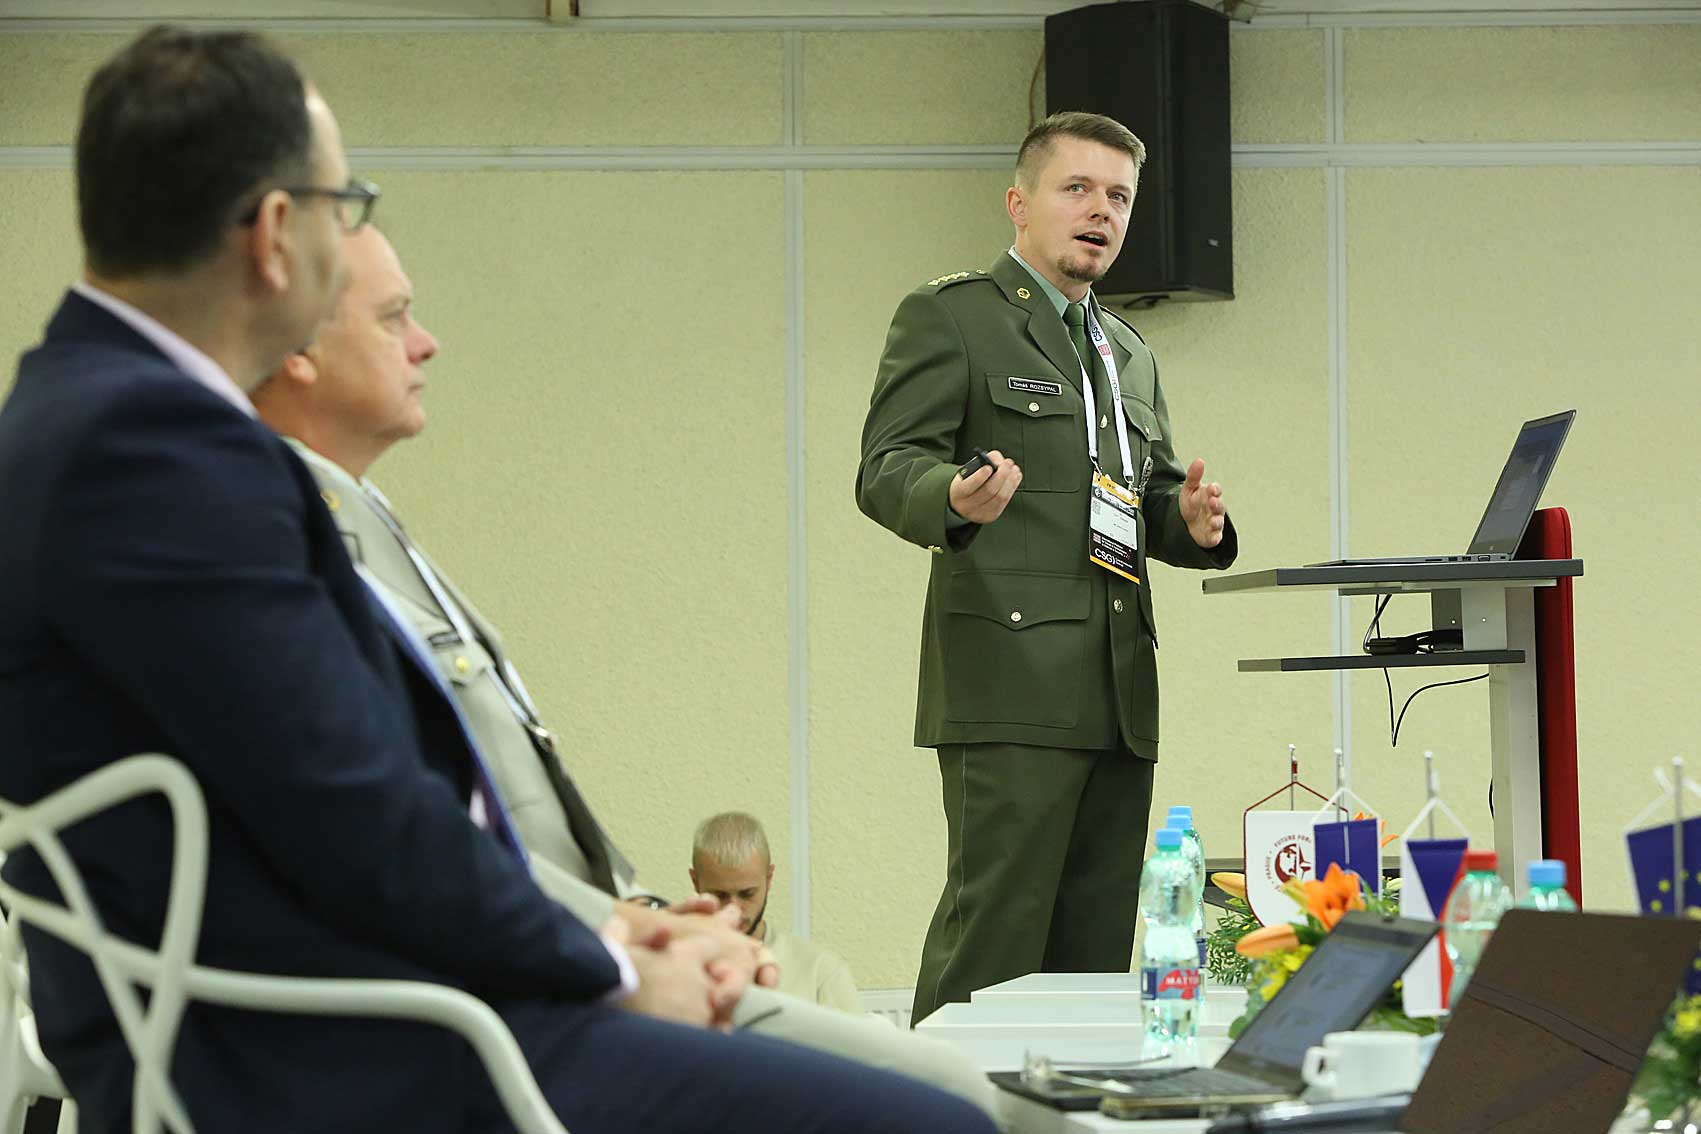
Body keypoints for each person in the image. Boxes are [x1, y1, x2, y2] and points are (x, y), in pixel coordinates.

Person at [0, 27, 995, 1134]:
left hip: (341, 1007)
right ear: (279, 232)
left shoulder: (87, 415)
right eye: (344, 204)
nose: (350, 238)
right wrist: (611, 958)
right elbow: (360, 818)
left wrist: (618, 928)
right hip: (343, 1051)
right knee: (936, 1120)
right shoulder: (154, 450)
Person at [249, 224, 996, 1115]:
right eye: (394, 316)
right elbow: (397, 838)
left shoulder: (358, 512)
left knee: (957, 1082)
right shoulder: (282, 539)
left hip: (566, 955)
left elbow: (500, 808)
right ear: (299, 350)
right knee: (941, 1106)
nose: (427, 341)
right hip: (510, 1006)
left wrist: (644, 915)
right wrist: (615, 947)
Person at [856, 111, 1239, 1025]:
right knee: (992, 943)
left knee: (1092, 960)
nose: (1101, 211)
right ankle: (947, 1099)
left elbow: (1139, 496)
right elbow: (886, 467)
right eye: (1078, 189)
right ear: (1018, 203)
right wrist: (952, 497)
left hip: (1118, 690)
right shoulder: (954, 316)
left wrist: (1189, 523)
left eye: (1119, 197)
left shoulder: (1127, 351)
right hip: (1010, 679)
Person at [690, 812, 861, 1015]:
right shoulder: (670, 968)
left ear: (769, 879)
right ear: (696, 882)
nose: (733, 909)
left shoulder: (821, 973)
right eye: (719, 895)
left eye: (747, 894)